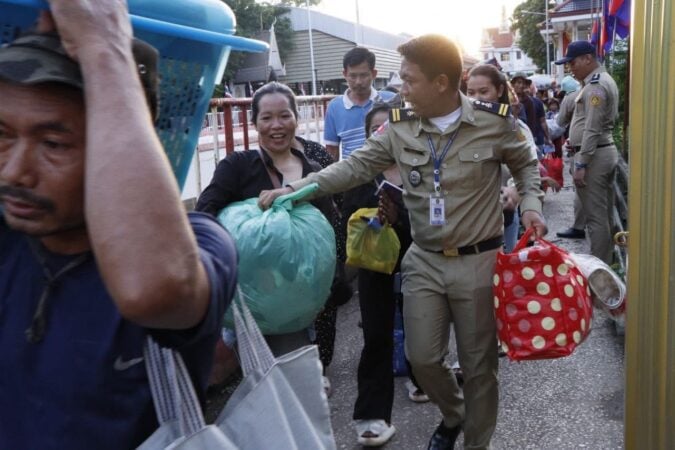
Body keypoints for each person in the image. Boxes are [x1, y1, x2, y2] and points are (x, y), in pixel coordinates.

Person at [259, 34, 546, 450]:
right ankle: (455, 414)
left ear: (442, 82)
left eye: (409, 80)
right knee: (424, 358)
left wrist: (532, 204)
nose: (402, 88)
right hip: (424, 260)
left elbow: (526, 165)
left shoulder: (493, 122)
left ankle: (475, 443)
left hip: (479, 261)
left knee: (479, 367)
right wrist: (299, 188)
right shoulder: (401, 127)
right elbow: (356, 165)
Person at [0, 2, 238, 448]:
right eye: (2, 135)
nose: (15, 171)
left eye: (53, 143)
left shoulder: (200, 243)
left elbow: (155, 288)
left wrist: (104, 48)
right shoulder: (10, 240)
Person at [196, 81, 339, 357]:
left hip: (298, 300)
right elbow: (205, 214)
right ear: (254, 123)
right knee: (269, 382)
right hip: (250, 302)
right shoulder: (237, 167)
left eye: (285, 115)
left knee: (296, 374)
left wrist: (328, 290)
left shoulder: (313, 171)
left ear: (296, 119)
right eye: (267, 117)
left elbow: (328, 233)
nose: (277, 125)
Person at [343, 100, 428, 447]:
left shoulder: (422, 167)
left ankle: (424, 380)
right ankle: (372, 413)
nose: (383, 136)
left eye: (389, 129)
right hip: (374, 266)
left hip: (420, 264)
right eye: (375, 131)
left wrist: (402, 217)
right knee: (375, 337)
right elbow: (348, 217)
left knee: (422, 333)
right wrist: (376, 217)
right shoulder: (359, 173)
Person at [554, 40, 620, 264]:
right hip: (600, 153)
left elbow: (592, 128)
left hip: (594, 157)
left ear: (588, 59)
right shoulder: (596, 82)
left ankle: (600, 271)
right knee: (604, 216)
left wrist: (581, 163)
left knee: (596, 219)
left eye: (572, 62)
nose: (570, 67)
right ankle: (607, 264)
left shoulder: (595, 85)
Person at [324, 46, 395, 161]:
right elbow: (332, 151)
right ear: (345, 74)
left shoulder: (391, 101)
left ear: (374, 73)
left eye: (364, 75)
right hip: (353, 175)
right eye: (353, 76)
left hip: (387, 173)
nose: (358, 82)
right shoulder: (334, 107)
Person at [556, 75, 588, 240]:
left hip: (581, 149)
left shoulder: (570, 97)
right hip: (590, 147)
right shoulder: (586, 90)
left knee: (580, 189)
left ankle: (578, 226)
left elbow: (560, 121)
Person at [511, 72, 553, 157]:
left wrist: (545, 138)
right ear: (513, 84)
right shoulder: (507, 100)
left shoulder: (529, 102)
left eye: (524, 83)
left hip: (528, 139)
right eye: (519, 82)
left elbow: (533, 123)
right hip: (511, 140)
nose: (522, 85)